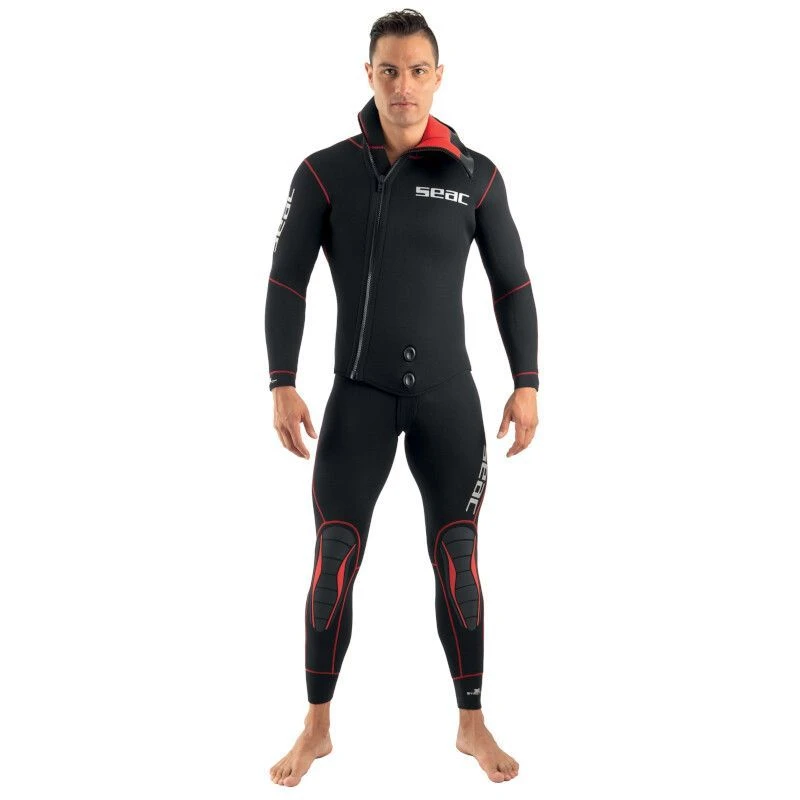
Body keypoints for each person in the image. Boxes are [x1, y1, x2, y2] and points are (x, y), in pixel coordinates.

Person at [265, 9, 538, 787]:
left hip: (449, 400)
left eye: (418, 70)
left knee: (459, 560)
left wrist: (527, 382)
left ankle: (471, 725)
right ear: (369, 75)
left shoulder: (475, 175)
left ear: (438, 77)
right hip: (359, 397)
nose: (404, 85)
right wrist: (282, 382)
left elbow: (512, 284)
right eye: (389, 70)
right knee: (333, 560)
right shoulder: (324, 172)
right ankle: (316, 728)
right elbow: (286, 282)